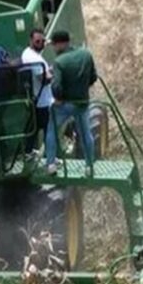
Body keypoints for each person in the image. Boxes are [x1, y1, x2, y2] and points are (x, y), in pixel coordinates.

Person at [45, 29, 97, 176]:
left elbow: (56, 86)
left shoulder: (59, 62)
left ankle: (51, 164)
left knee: (52, 130)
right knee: (86, 133)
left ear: (61, 44)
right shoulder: (86, 54)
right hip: (82, 103)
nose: (54, 48)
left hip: (65, 105)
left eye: (54, 45)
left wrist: (58, 98)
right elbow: (93, 77)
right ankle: (89, 166)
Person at [19, 28, 54, 159]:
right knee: (48, 130)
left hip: (39, 98)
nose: (40, 43)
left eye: (42, 41)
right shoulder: (32, 57)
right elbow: (44, 79)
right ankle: (51, 159)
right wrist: (54, 72)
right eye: (37, 41)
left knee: (34, 127)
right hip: (42, 101)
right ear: (31, 41)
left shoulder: (30, 53)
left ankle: (28, 152)